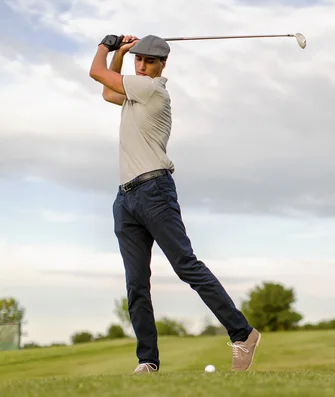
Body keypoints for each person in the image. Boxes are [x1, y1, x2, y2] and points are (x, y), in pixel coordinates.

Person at [88, 33, 261, 374]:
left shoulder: (151, 90)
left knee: (186, 266)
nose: (142, 65)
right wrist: (121, 54)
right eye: (138, 60)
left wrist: (104, 47)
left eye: (148, 61)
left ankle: (243, 333)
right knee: (136, 284)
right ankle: (147, 361)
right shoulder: (134, 93)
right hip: (125, 199)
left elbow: (97, 73)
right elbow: (108, 91)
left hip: (154, 191)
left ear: (163, 64)